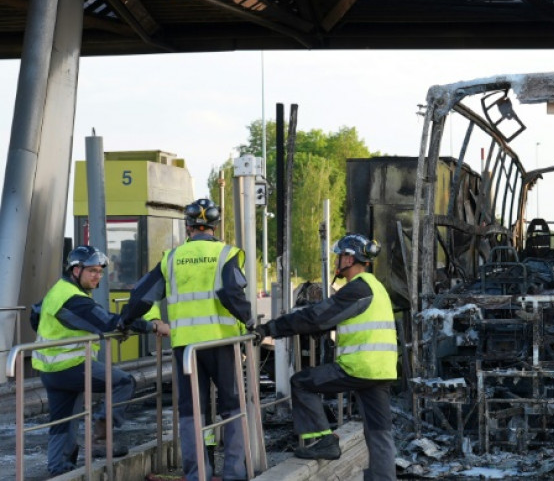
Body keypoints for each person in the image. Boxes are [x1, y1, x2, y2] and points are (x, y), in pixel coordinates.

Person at [120, 198, 255, 481]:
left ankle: (198, 473)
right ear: (215, 226)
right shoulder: (225, 254)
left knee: (193, 411)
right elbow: (231, 293)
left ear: (188, 227)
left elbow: (142, 295)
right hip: (221, 343)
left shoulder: (172, 258)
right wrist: (250, 320)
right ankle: (234, 472)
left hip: (186, 349)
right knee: (232, 406)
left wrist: (125, 321)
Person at [255, 233, 397, 481]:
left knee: (301, 382)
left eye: (340, 256)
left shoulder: (357, 289)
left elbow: (317, 317)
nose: (337, 261)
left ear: (351, 258)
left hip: (358, 367)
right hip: (381, 369)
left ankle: (323, 440)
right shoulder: (376, 287)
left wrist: (271, 329)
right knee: (379, 431)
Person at [32, 245, 170, 476]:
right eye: (92, 271)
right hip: (70, 366)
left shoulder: (59, 290)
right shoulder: (73, 299)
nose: (98, 276)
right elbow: (107, 321)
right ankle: (100, 440)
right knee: (123, 382)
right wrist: (152, 325)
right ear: (76, 270)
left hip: (50, 368)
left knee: (63, 421)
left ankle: (59, 469)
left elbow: (35, 314)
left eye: (100, 271)